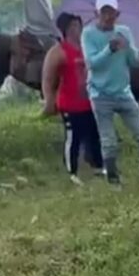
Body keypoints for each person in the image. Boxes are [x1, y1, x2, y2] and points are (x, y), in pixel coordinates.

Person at [81, 0, 139, 186]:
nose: (109, 17)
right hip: (100, 94)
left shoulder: (124, 31)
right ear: (96, 14)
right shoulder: (88, 34)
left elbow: (134, 62)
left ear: (117, 14)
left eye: (112, 13)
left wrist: (132, 50)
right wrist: (109, 49)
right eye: (104, 12)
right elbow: (92, 64)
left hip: (123, 92)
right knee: (109, 141)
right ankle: (114, 181)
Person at [42, 12, 102, 185]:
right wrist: (49, 101)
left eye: (79, 26)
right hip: (69, 102)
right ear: (65, 30)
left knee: (94, 134)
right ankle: (72, 171)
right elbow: (48, 78)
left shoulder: (87, 47)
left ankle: (98, 166)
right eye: (73, 26)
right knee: (73, 137)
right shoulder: (58, 52)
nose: (77, 30)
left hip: (90, 99)